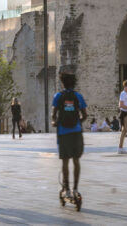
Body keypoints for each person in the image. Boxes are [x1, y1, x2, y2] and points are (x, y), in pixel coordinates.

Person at [52, 71, 87, 201]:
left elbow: (53, 115)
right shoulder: (78, 96)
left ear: (62, 83)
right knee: (76, 160)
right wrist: (78, 122)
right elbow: (85, 115)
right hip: (76, 132)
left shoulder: (58, 96)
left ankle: (66, 189)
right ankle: (76, 188)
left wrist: (55, 122)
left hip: (63, 132)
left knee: (65, 161)